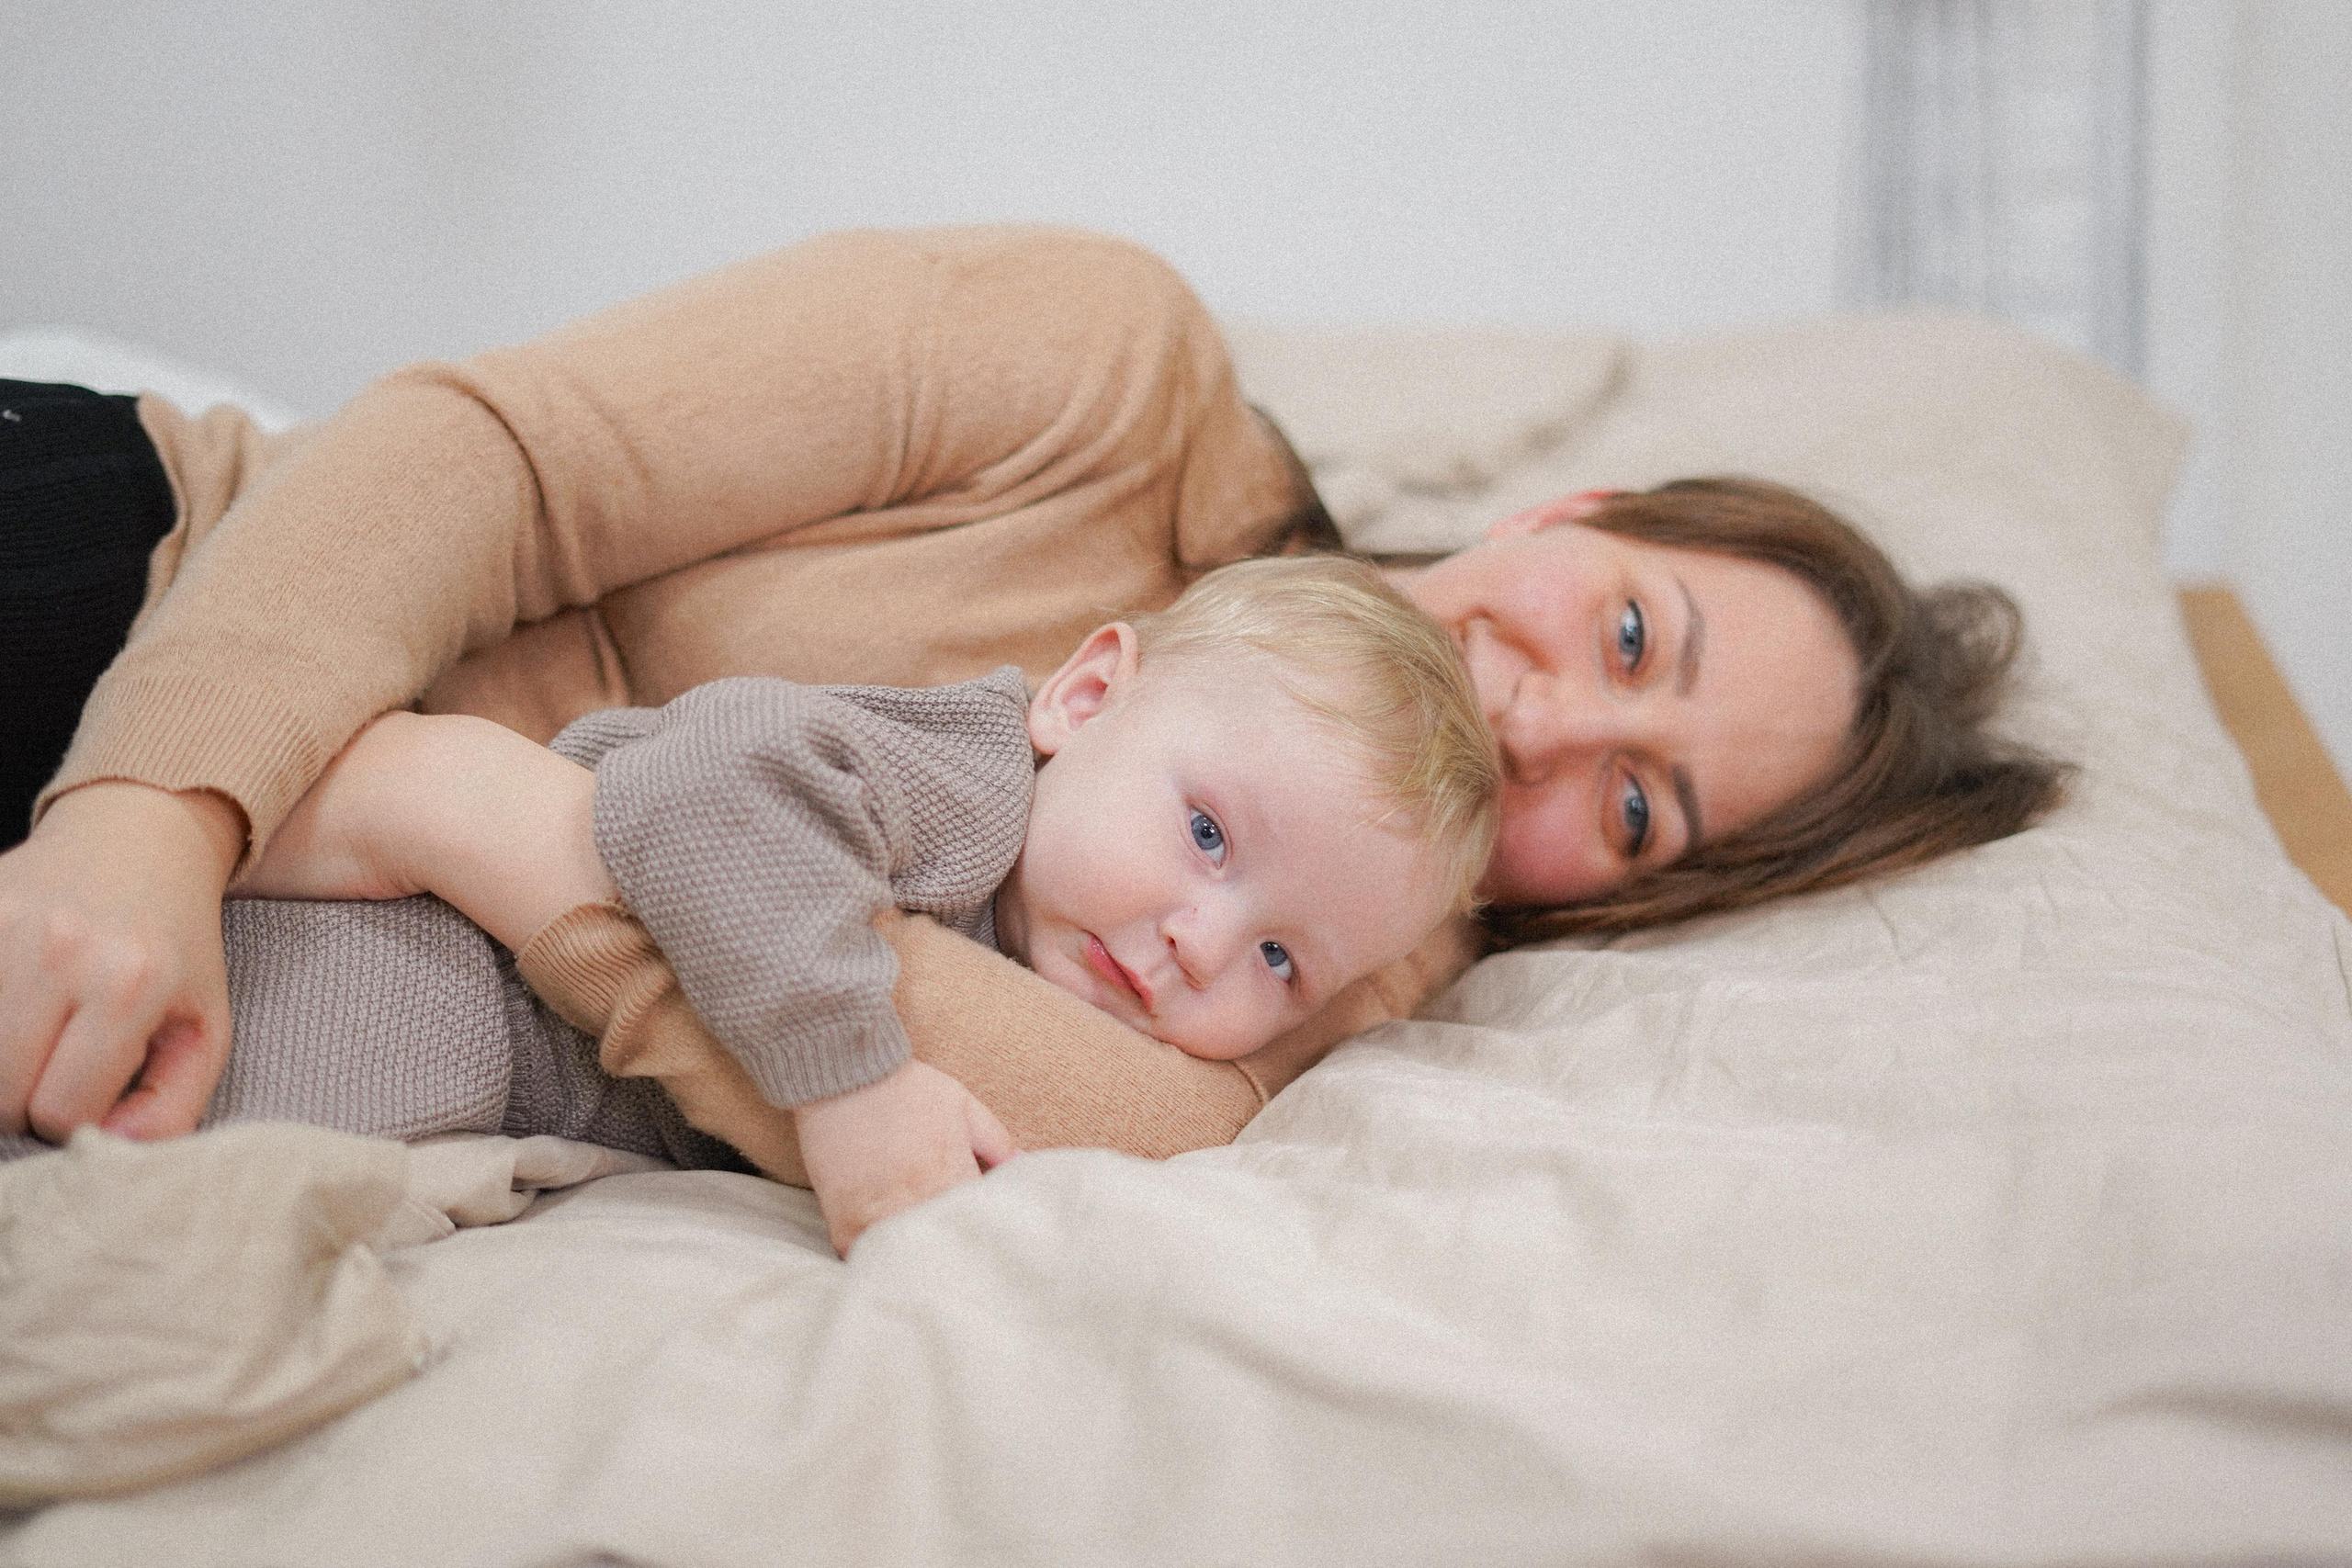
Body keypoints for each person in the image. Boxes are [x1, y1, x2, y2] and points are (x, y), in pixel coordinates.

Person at [0, 224, 2063, 1194]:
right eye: (1626, 638)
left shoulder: (1341, 951)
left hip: (353, 903)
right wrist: (151, 809)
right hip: (172, 587)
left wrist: (484, 816)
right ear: (1571, 513)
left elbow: (1091, 1124)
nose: (1541, 730)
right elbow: (494, 456)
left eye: (1634, 814)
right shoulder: (1107, 371)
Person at [42, 557, 1495, 1256]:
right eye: (1204, 834)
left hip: (525, 1065)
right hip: (434, 957)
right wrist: (851, 1079)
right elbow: (698, 793)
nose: (1201, 942)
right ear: (1086, 695)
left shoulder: (1089, 935)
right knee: (148, 1194)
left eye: (1282, 957)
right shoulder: (963, 779)